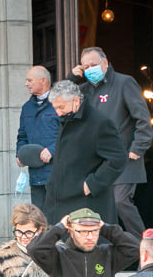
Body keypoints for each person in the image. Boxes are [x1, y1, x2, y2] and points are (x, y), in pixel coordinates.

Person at [69, 47, 153, 236]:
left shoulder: (124, 83)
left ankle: (146, 249)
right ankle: (109, 254)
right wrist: (72, 79)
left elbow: (142, 119)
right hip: (96, 162)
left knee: (120, 202)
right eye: (86, 66)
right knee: (101, 210)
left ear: (105, 63)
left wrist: (137, 148)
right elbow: (61, 105)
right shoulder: (83, 91)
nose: (90, 69)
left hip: (124, 158)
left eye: (94, 65)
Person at [43, 80, 128, 227]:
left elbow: (118, 158)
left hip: (85, 202)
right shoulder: (68, 119)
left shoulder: (99, 122)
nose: (58, 112)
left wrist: (93, 183)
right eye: (55, 108)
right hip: (60, 200)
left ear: (76, 101)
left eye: (61, 107)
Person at [16, 66, 59, 211]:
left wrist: (52, 150)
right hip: (36, 174)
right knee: (40, 218)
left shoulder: (59, 103)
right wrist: (20, 154)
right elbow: (22, 136)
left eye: (29, 80)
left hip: (57, 172)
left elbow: (69, 134)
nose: (26, 84)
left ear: (43, 80)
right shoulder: (27, 108)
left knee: (58, 218)